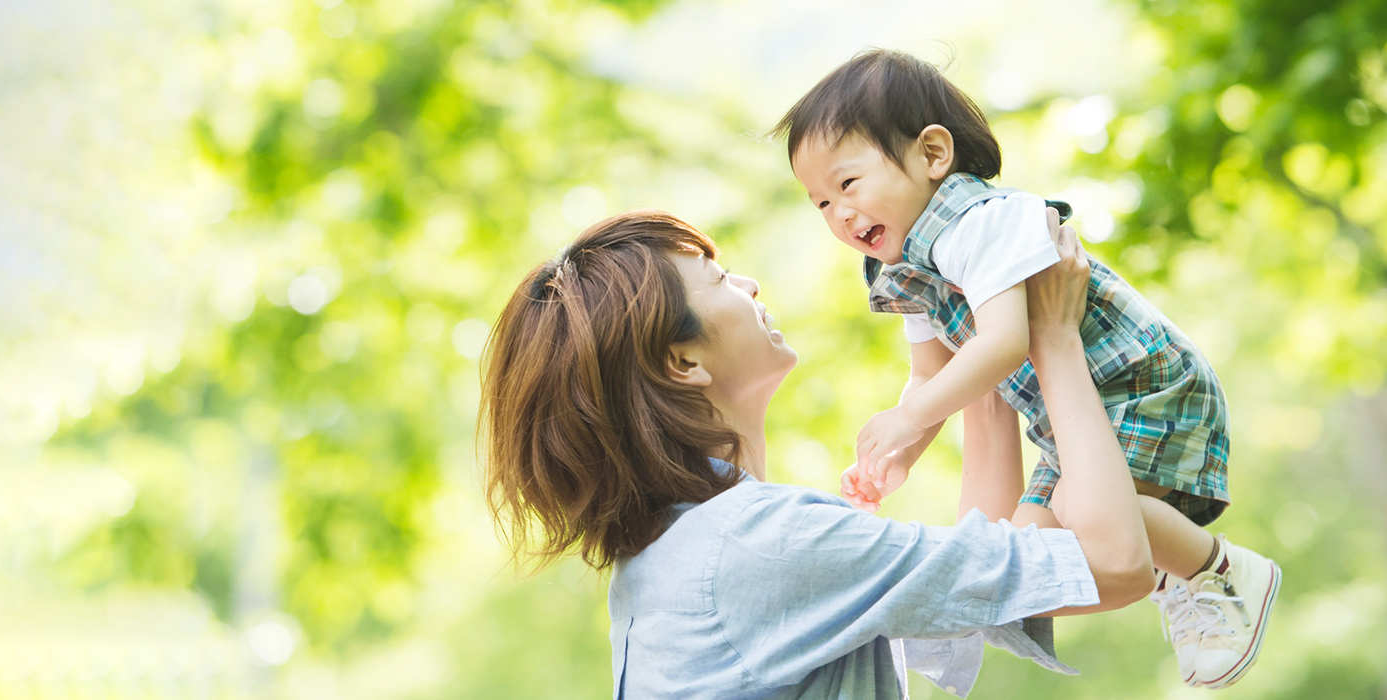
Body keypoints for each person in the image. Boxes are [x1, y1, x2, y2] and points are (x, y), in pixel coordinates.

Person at [480, 209, 1152, 698]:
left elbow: (985, 575)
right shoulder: (767, 546)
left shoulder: (677, 555)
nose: (747, 284)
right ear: (680, 360)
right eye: (716, 280)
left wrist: (983, 367)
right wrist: (1056, 338)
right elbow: (1115, 565)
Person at [774, 49, 1278, 688]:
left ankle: (1215, 570)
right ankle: (1164, 567)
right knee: (1029, 556)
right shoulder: (902, 270)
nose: (839, 214)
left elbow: (1006, 342)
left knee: (1077, 512)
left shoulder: (983, 222)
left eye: (847, 185)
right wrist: (903, 450)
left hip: (1142, 384)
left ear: (933, 154)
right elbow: (931, 375)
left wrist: (909, 417)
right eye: (819, 202)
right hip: (1073, 422)